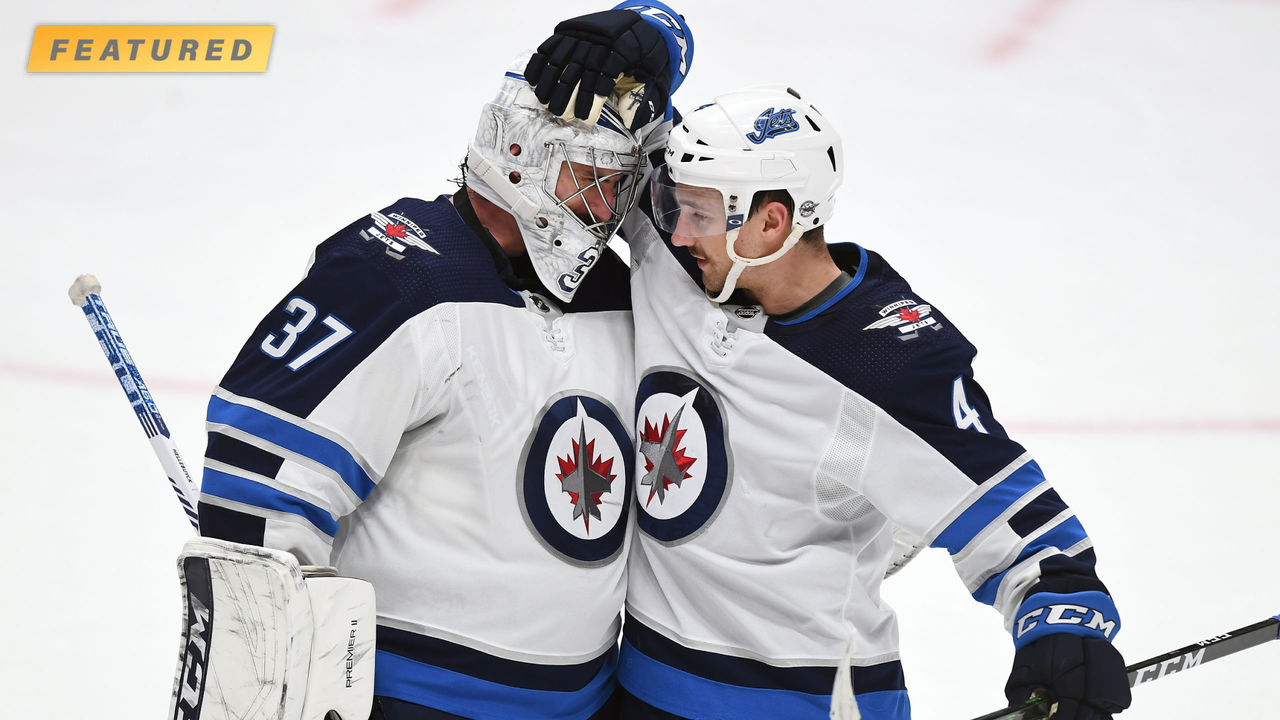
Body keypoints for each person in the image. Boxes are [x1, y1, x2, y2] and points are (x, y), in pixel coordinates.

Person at [189, 5, 695, 719]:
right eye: (596, 178)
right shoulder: (397, 274)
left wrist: (649, 44)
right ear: (524, 155)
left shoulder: (626, 291)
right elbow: (260, 488)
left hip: (590, 702)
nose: (616, 205)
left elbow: (714, 194)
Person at [605, 87, 1133, 719]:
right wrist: (649, 32)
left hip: (807, 706)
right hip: (643, 694)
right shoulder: (686, 257)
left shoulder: (886, 360)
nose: (675, 230)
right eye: (674, 206)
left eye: (697, 213)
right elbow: (627, 102)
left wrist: (1064, 627)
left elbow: (1023, 534)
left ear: (771, 223)